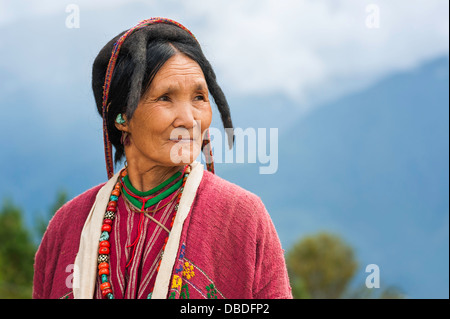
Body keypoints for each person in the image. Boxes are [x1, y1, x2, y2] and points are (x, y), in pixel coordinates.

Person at [33, 18, 292, 299]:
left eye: (199, 97)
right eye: (166, 98)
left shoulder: (241, 218)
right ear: (121, 117)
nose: (189, 119)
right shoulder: (68, 225)